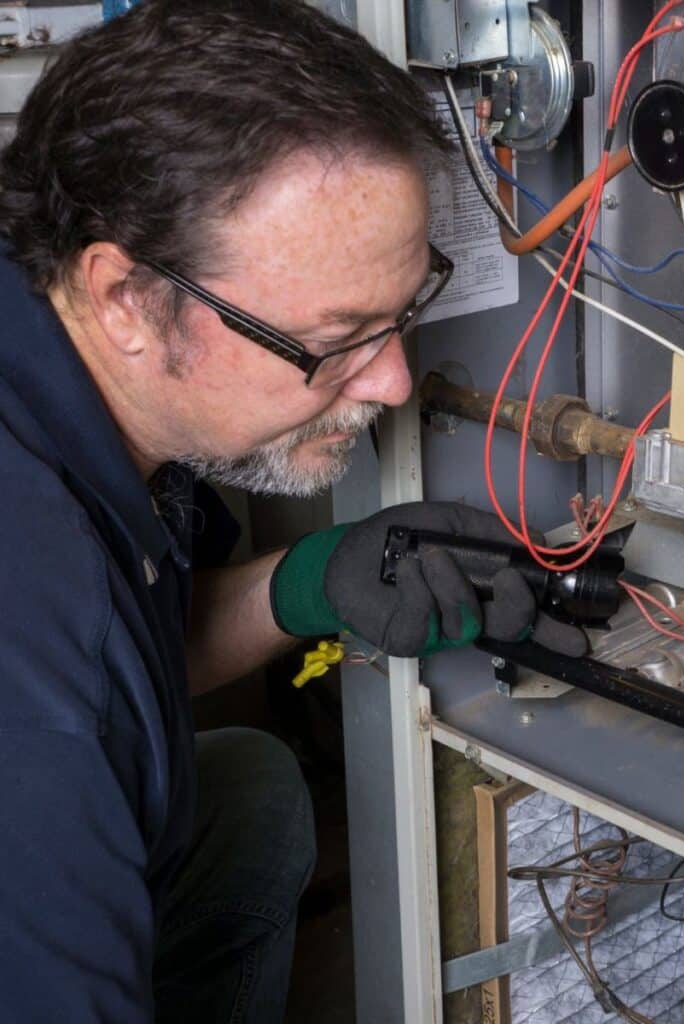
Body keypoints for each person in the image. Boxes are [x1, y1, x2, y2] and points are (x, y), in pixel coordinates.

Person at [0, 1, 584, 1020]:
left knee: (254, 799)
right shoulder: (37, 679)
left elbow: (140, 647)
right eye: (340, 335)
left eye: (403, 315)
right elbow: (83, 683)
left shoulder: (56, 341)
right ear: (126, 298)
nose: (395, 383)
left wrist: (309, 581)